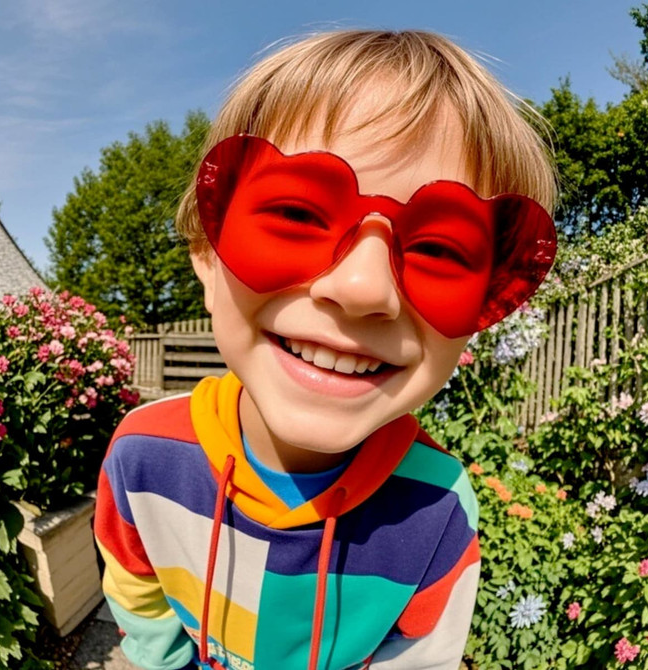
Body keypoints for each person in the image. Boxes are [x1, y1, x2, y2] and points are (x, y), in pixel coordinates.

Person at [94, 30, 557, 670]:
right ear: (206, 249)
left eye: (439, 251)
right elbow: (137, 591)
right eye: (297, 215)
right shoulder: (142, 458)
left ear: (486, 306)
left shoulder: (439, 511)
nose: (364, 287)